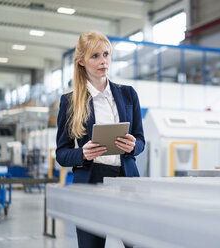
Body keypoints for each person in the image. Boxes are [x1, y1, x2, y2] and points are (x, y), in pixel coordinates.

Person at [56, 30, 144, 248]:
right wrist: (82, 153)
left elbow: (141, 139)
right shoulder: (70, 102)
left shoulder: (128, 94)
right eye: (95, 56)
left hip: (126, 183)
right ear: (81, 62)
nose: (103, 61)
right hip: (91, 184)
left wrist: (134, 146)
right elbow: (61, 153)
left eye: (106, 54)